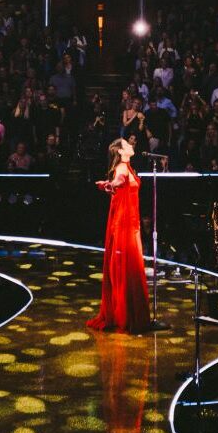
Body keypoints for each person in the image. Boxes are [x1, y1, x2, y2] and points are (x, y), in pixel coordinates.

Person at [88, 138, 151, 333]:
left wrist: (110, 184)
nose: (132, 144)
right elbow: (118, 180)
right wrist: (110, 184)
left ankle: (129, 311)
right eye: (127, 144)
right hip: (124, 224)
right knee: (127, 266)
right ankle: (126, 314)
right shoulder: (122, 169)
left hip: (130, 222)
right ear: (122, 152)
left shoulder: (127, 167)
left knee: (130, 266)